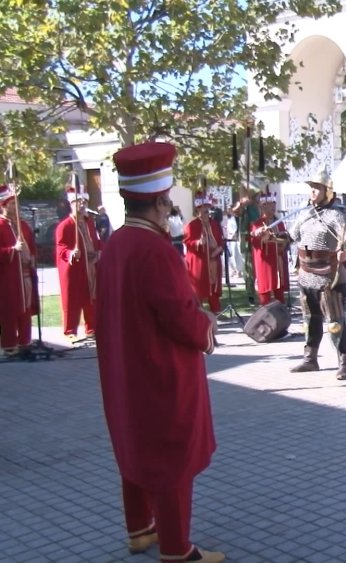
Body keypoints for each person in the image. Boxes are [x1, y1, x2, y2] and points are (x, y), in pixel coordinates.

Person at [97, 141, 224, 562]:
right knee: (173, 457)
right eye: (168, 203)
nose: (171, 210)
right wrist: (206, 325)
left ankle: (140, 529)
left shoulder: (117, 244)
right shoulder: (155, 250)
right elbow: (179, 318)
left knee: (135, 446)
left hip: (126, 369)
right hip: (162, 372)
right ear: (158, 203)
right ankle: (177, 549)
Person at [289, 168, 346, 378]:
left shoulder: (336, 215)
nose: (313, 192)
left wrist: (345, 251)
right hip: (306, 274)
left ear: (327, 191)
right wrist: (270, 235)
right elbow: (290, 236)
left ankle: (343, 361)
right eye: (311, 188)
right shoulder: (304, 214)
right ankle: (310, 359)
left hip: (329, 276)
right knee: (310, 320)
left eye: (317, 188)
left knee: (335, 322)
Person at [55, 185, 100, 342]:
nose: (82, 205)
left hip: (91, 267)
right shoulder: (65, 226)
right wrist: (70, 253)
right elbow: (61, 247)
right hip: (76, 267)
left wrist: (99, 251)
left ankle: (91, 328)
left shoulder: (89, 223)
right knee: (73, 300)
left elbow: (96, 241)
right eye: (78, 202)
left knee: (91, 298)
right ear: (71, 204)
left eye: (84, 202)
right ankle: (69, 331)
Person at [0, 184, 38, 358]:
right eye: (11, 204)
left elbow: (31, 245)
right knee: (10, 310)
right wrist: (12, 250)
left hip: (25, 275)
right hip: (8, 276)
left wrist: (32, 258)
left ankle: (25, 342)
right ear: (3, 206)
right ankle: (10, 345)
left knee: (26, 309)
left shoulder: (23, 225)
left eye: (16, 204)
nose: (15, 208)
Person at [184, 194, 225, 314]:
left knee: (214, 287)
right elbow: (187, 242)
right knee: (199, 288)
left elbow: (221, 241)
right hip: (200, 261)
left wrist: (219, 249)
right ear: (198, 209)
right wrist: (198, 243)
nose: (207, 210)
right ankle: (198, 313)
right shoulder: (191, 225)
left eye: (208, 207)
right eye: (204, 207)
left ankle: (216, 311)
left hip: (214, 261)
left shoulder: (215, 225)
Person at [248, 190, 290, 305]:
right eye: (270, 204)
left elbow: (284, 240)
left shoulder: (279, 223)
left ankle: (281, 311)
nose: (273, 206)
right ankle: (265, 313)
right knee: (265, 289)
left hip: (278, 260)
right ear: (263, 206)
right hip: (265, 262)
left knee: (279, 289)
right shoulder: (256, 224)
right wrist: (260, 235)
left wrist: (284, 242)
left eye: (274, 203)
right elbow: (254, 242)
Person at [223, 212, 242, 281]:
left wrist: (232, 234)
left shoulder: (233, 219)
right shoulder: (227, 219)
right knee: (229, 256)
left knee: (235, 255)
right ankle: (233, 270)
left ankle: (238, 271)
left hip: (233, 239)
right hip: (228, 238)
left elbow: (234, 229)